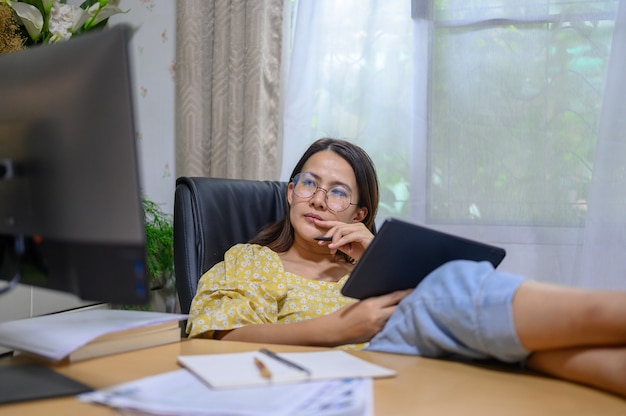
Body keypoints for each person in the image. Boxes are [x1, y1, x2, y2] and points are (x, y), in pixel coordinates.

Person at [187, 138, 626, 397]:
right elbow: (218, 338)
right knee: (448, 282)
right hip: (352, 381)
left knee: (526, 349)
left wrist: (380, 261)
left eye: (338, 192)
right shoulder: (253, 260)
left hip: (424, 367)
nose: (318, 200)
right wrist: (341, 328)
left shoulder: (368, 266)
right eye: (309, 184)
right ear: (290, 192)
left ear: (358, 215)